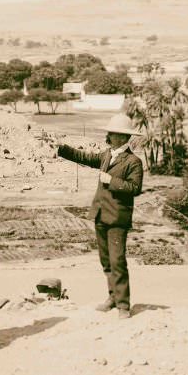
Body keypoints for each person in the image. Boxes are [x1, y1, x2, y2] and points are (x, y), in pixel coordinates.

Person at [57, 112, 143, 318]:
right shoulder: (107, 155)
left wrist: (110, 181)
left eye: (113, 134)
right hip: (100, 216)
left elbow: (135, 188)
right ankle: (112, 297)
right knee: (106, 261)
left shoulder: (133, 161)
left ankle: (123, 305)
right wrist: (62, 149)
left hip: (117, 219)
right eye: (110, 133)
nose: (109, 136)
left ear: (123, 137)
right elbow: (86, 157)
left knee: (118, 261)